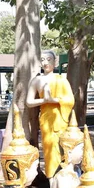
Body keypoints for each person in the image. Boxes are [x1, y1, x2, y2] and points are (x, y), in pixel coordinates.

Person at [26, 50, 75, 178]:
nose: (45, 63)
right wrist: (44, 100)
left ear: (55, 62)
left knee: (63, 147)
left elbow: (70, 100)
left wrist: (53, 100)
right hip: (46, 119)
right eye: (42, 60)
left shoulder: (62, 79)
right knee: (49, 149)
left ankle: (65, 178)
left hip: (60, 118)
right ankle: (51, 181)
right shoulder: (37, 80)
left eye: (48, 59)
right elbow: (29, 102)